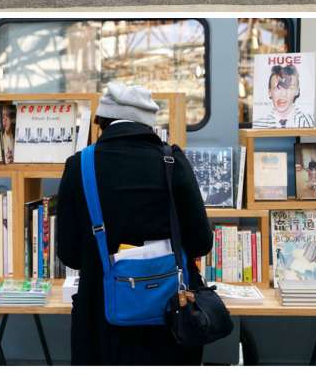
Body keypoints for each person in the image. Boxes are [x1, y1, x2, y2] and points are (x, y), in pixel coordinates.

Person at [57, 82, 213, 366]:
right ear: (149, 125)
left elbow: (69, 254)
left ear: (101, 122)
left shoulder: (79, 165)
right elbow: (202, 241)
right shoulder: (173, 161)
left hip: (101, 322)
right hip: (173, 321)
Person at [253, 64, 314, 128]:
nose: (283, 94)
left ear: (297, 91)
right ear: (269, 92)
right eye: (277, 88)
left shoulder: (310, 122)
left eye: (289, 88)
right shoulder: (258, 125)